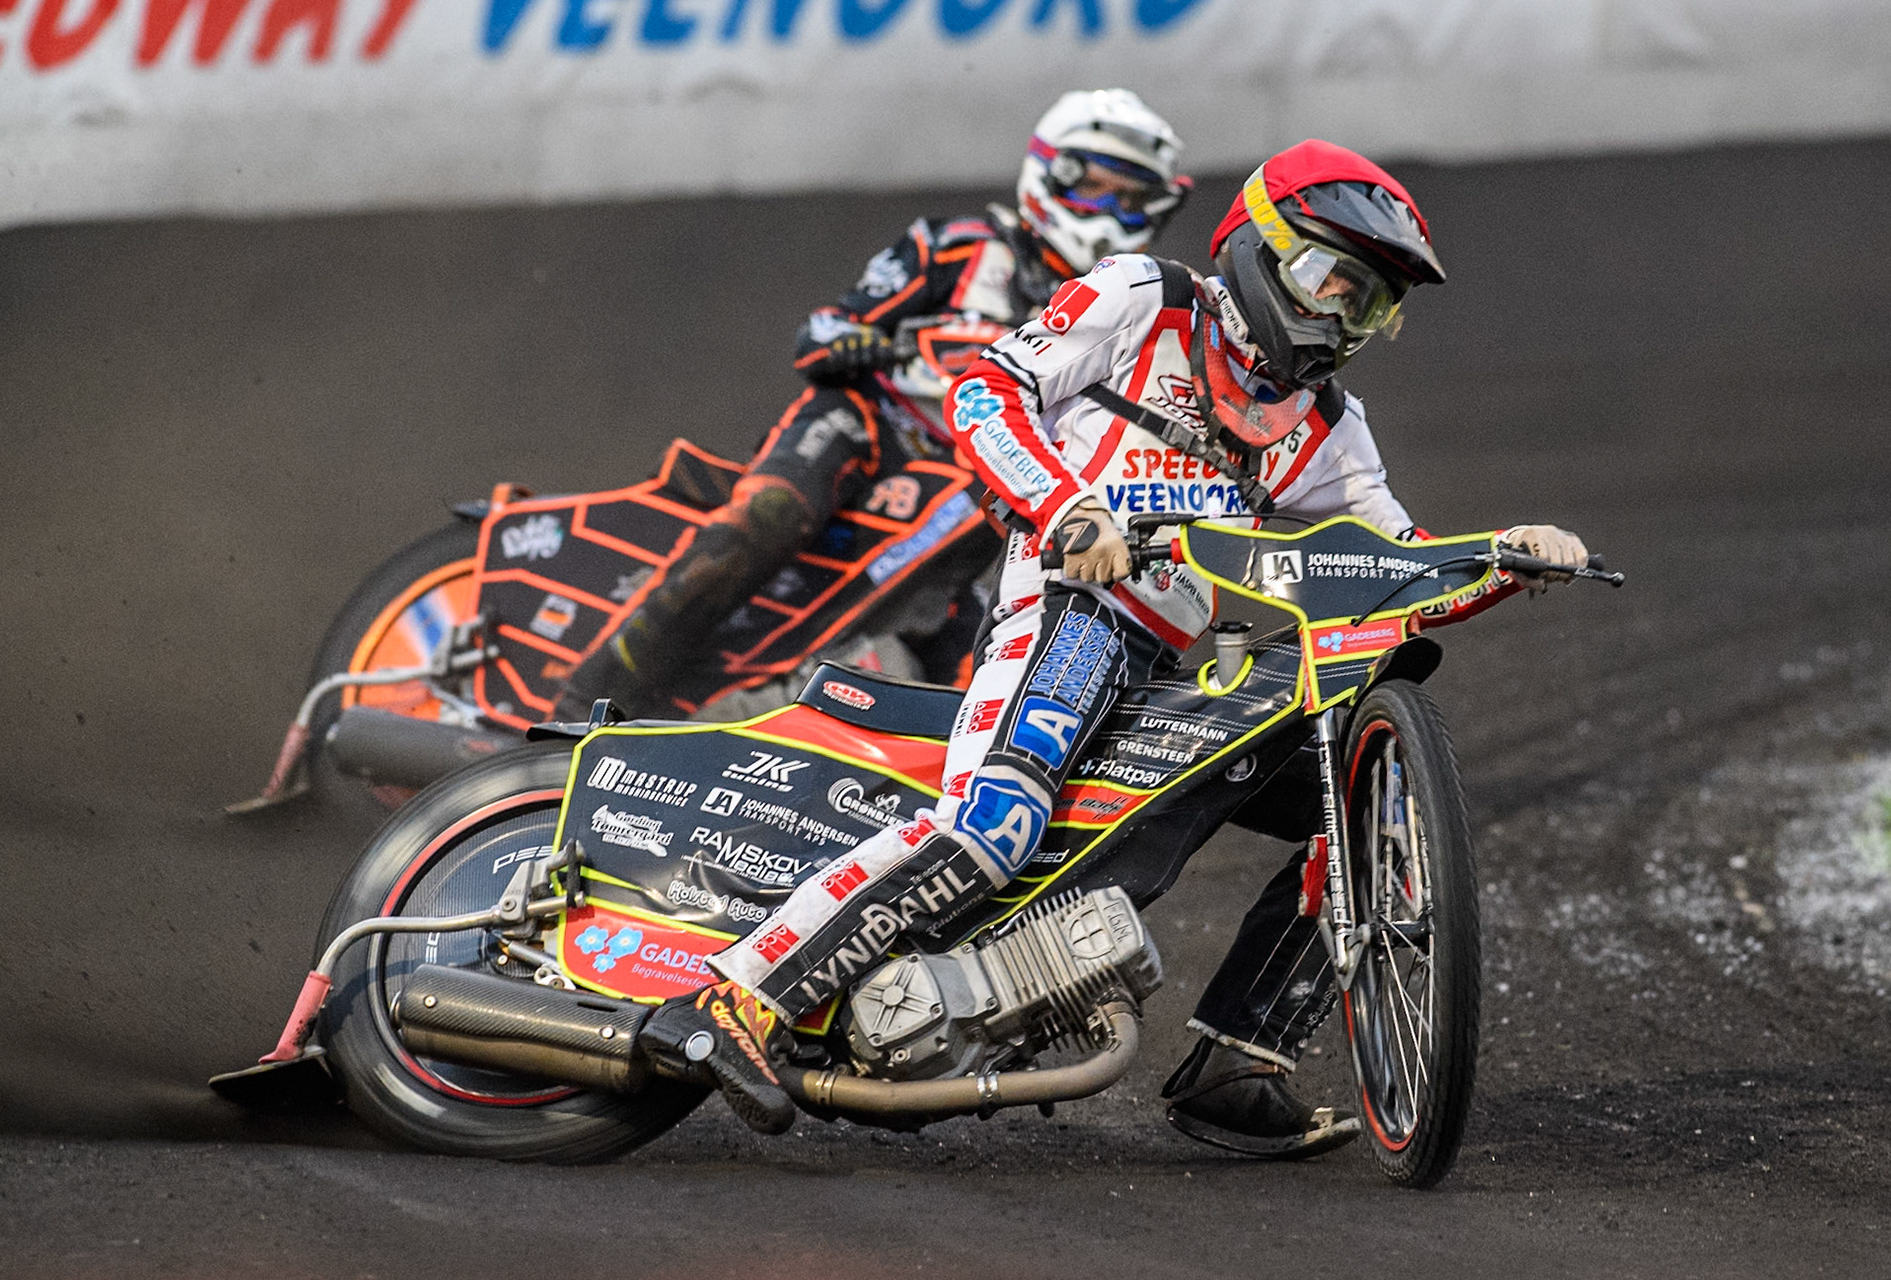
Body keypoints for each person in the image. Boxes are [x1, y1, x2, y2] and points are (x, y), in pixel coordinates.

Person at [637, 140, 1587, 1150]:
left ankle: (1236, 1059)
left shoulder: (1331, 426)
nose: (1347, 321)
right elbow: (983, 393)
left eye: (1372, 307)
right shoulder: (1145, 297)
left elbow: (1389, 568)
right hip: (1066, 614)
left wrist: (1497, 562)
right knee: (992, 823)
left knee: (1369, 814)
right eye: (1336, 283)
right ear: (1265, 250)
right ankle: (735, 998)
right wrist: (1063, 508)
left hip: (1171, 662)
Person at [554, 89, 1190, 722]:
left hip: (979, 501)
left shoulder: (1120, 306)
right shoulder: (955, 243)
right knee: (769, 515)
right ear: (1054, 172)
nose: (1111, 211)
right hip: (870, 430)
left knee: (978, 672)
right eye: (1100, 188)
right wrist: (870, 343)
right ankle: (583, 701)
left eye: (1132, 199)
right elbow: (823, 332)